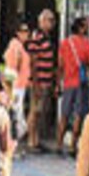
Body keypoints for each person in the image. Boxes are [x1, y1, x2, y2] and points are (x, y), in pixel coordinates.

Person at [23, 10, 61, 152]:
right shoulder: (37, 36)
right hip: (38, 81)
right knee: (35, 110)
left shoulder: (47, 37)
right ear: (42, 21)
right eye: (50, 20)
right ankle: (31, 140)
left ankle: (36, 139)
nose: (52, 23)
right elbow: (33, 59)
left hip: (46, 80)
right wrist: (36, 81)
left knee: (40, 112)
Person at [59, 17, 89, 152]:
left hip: (68, 82)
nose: (87, 29)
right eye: (86, 27)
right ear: (81, 28)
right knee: (78, 115)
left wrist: (59, 82)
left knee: (64, 114)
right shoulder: (87, 44)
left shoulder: (65, 43)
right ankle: (72, 146)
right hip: (81, 83)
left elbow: (60, 64)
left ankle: (59, 144)